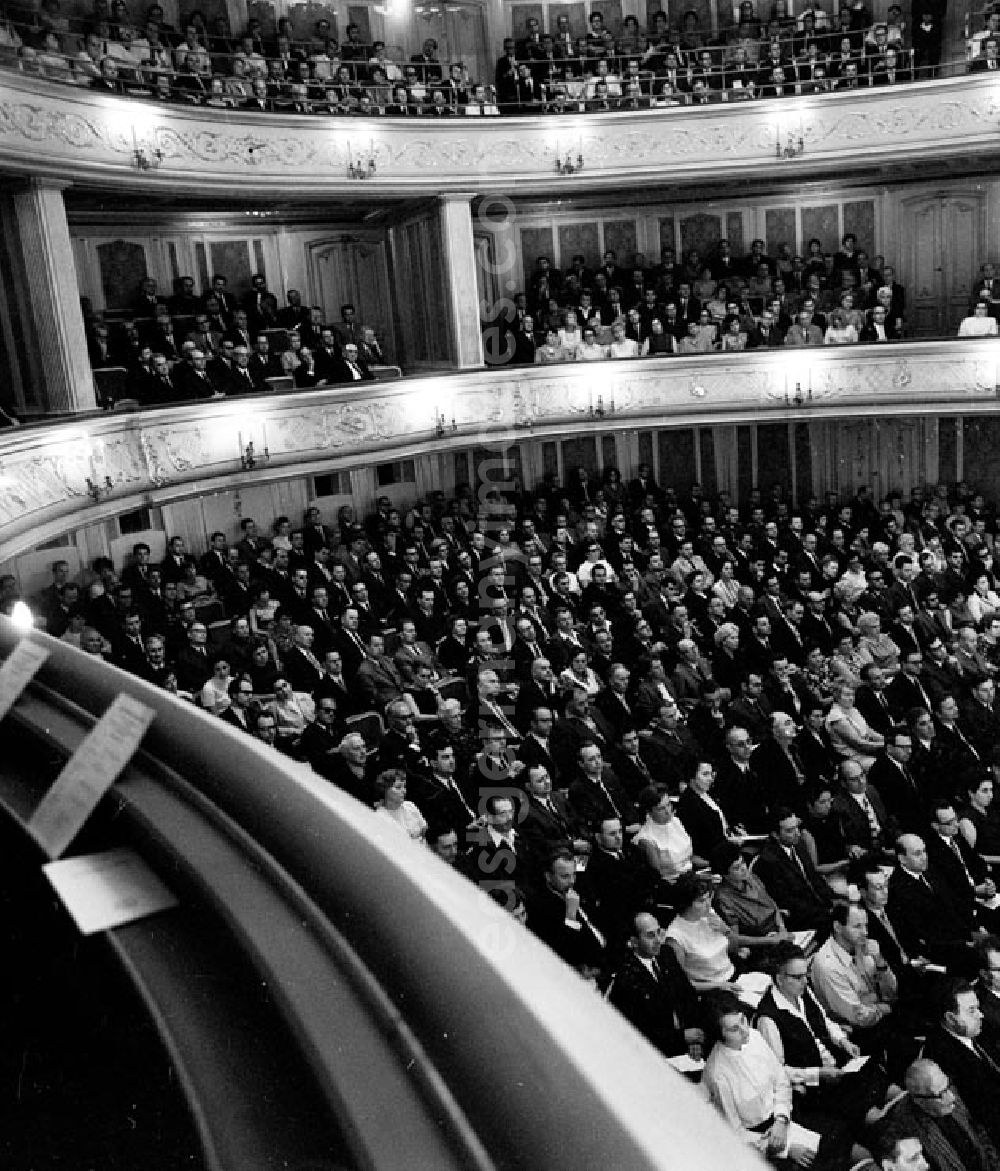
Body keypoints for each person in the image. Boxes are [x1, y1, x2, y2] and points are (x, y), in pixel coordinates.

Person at [703, 992, 814, 1165]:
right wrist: (786, 1149)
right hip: (760, 1142)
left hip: (783, 1115)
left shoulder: (755, 1037)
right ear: (719, 1034)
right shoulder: (717, 1074)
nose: (744, 1030)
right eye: (734, 1029)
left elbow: (781, 1081)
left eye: (743, 1020)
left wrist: (781, 1119)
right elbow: (735, 1132)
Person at [605, 910, 705, 1058]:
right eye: (650, 935)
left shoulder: (666, 954)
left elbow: (687, 995)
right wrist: (682, 1037)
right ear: (634, 942)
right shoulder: (626, 980)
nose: (658, 939)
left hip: (689, 1039)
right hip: (655, 1052)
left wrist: (694, 1036)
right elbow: (639, 1033)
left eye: (659, 932)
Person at [877, 1057, 1000, 1171]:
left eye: (948, 1086)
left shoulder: (945, 1089)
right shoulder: (907, 1129)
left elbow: (980, 1132)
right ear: (919, 1100)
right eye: (941, 1095)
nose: (951, 1097)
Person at [631, 783, 695, 883]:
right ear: (649, 811)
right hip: (674, 884)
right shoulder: (646, 839)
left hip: (692, 874)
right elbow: (658, 877)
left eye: (668, 805)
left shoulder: (675, 821)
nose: (668, 811)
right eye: (661, 809)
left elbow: (690, 857)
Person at [372, 768, 428, 842]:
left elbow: (425, 830)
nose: (404, 791)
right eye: (398, 787)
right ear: (385, 790)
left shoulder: (410, 805)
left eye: (404, 786)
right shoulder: (380, 816)